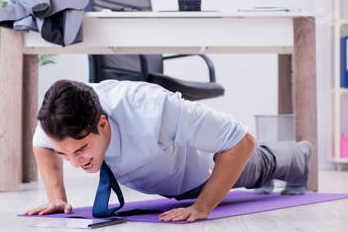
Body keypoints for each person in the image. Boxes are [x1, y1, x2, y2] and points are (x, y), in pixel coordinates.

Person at [25, 79, 312, 222]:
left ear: (102, 124)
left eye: (82, 150)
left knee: (259, 164)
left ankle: (300, 155)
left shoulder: (155, 110)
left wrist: (202, 207)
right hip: (161, 176)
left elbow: (241, 141)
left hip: (201, 172)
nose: (76, 164)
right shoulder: (58, 121)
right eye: (65, 154)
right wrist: (57, 197)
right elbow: (42, 144)